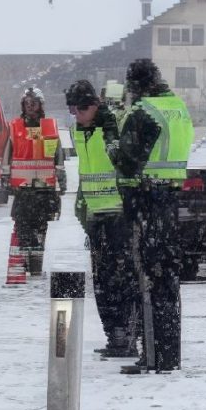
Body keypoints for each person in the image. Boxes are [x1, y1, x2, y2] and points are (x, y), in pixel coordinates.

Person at [110, 58, 199, 373]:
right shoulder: (178, 107)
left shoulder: (143, 112)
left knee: (149, 278)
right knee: (167, 280)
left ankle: (154, 356)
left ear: (136, 85)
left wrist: (112, 148)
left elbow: (128, 161)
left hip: (147, 199)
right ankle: (168, 354)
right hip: (170, 199)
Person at [60, 81, 137, 360]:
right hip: (96, 215)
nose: (76, 114)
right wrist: (82, 208)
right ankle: (115, 336)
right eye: (71, 109)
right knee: (103, 281)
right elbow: (84, 173)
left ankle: (128, 334)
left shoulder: (114, 124)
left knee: (122, 279)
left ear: (94, 104)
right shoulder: (77, 130)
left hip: (118, 213)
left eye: (80, 108)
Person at [1, 89, 64, 287]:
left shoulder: (50, 128)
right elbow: (6, 156)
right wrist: (4, 179)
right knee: (22, 229)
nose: (30, 107)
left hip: (44, 189)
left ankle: (36, 267)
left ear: (41, 105)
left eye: (34, 103)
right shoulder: (15, 127)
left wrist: (61, 179)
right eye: (27, 103)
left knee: (40, 230)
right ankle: (23, 264)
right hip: (23, 190)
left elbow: (58, 157)